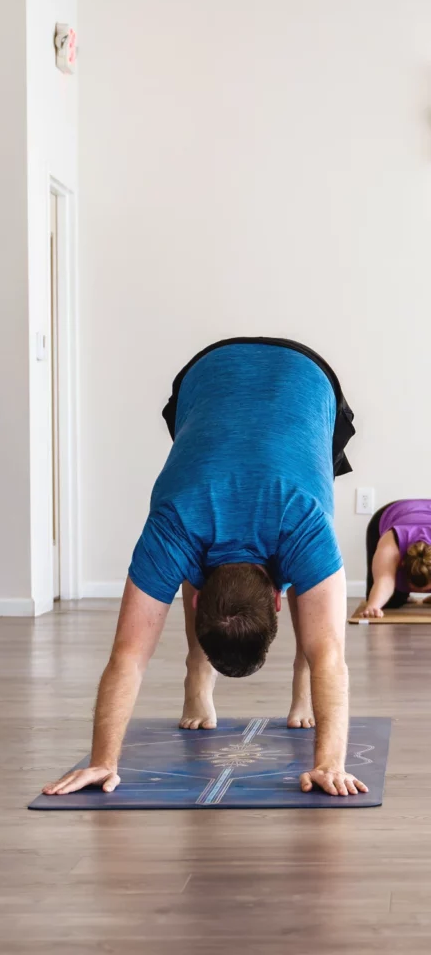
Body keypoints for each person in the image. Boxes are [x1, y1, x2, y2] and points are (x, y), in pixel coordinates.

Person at [44, 337, 368, 799]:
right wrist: (101, 761)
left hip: (301, 383)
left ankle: (302, 675)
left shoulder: (298, 521)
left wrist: (330, 763)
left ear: (192, 596)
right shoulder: (177, 524)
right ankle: (198, 669)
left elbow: (128, 656)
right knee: (303, 573)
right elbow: (127, 657)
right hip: (210, 378)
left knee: (313, 591)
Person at [356, 500, 431, 618]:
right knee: (391, 602)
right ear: (401, 565)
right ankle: (400, 596)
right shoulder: (391, 543)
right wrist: (373, 607)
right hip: (393, 512)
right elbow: (384, 580)